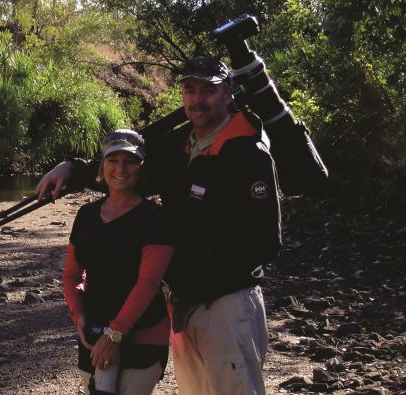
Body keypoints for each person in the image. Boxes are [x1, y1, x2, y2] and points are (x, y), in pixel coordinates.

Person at [41, 56, 281, 394]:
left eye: (208, 90)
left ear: (227, 94)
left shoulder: (249, 152)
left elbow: (267, 242)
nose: (198, 99)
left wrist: (202, 269)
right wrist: (72, 168)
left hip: (228, 304)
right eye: (190, 89)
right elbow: (123, 173)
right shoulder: (181, 149)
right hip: (183, 303)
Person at [63, 129, 174, 394]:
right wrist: (79, 317)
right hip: (94, 333)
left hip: (144, 333)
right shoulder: (87, 215)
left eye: (130, 161)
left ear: (141, 167)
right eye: (113, 160)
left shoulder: (156, 219)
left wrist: (114, 334)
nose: (120, 168)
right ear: (102, 166)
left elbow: (148, 283)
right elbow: (71, 275)